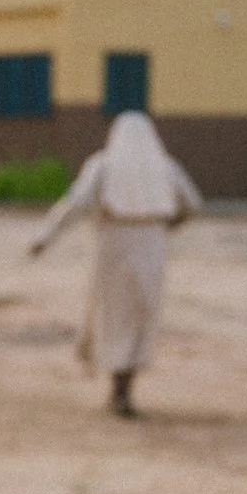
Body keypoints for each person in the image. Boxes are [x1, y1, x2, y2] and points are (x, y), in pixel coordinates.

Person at [26, 110, 203, 417]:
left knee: (115, 313)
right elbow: (192, 204)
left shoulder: (103, 165)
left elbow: (74, 203)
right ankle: (127, 383)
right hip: (153, 244)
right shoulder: (165, 166)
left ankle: (118, 386)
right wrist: (165, 226)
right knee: (142, 309)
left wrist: (44, 236)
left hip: (114, 242)